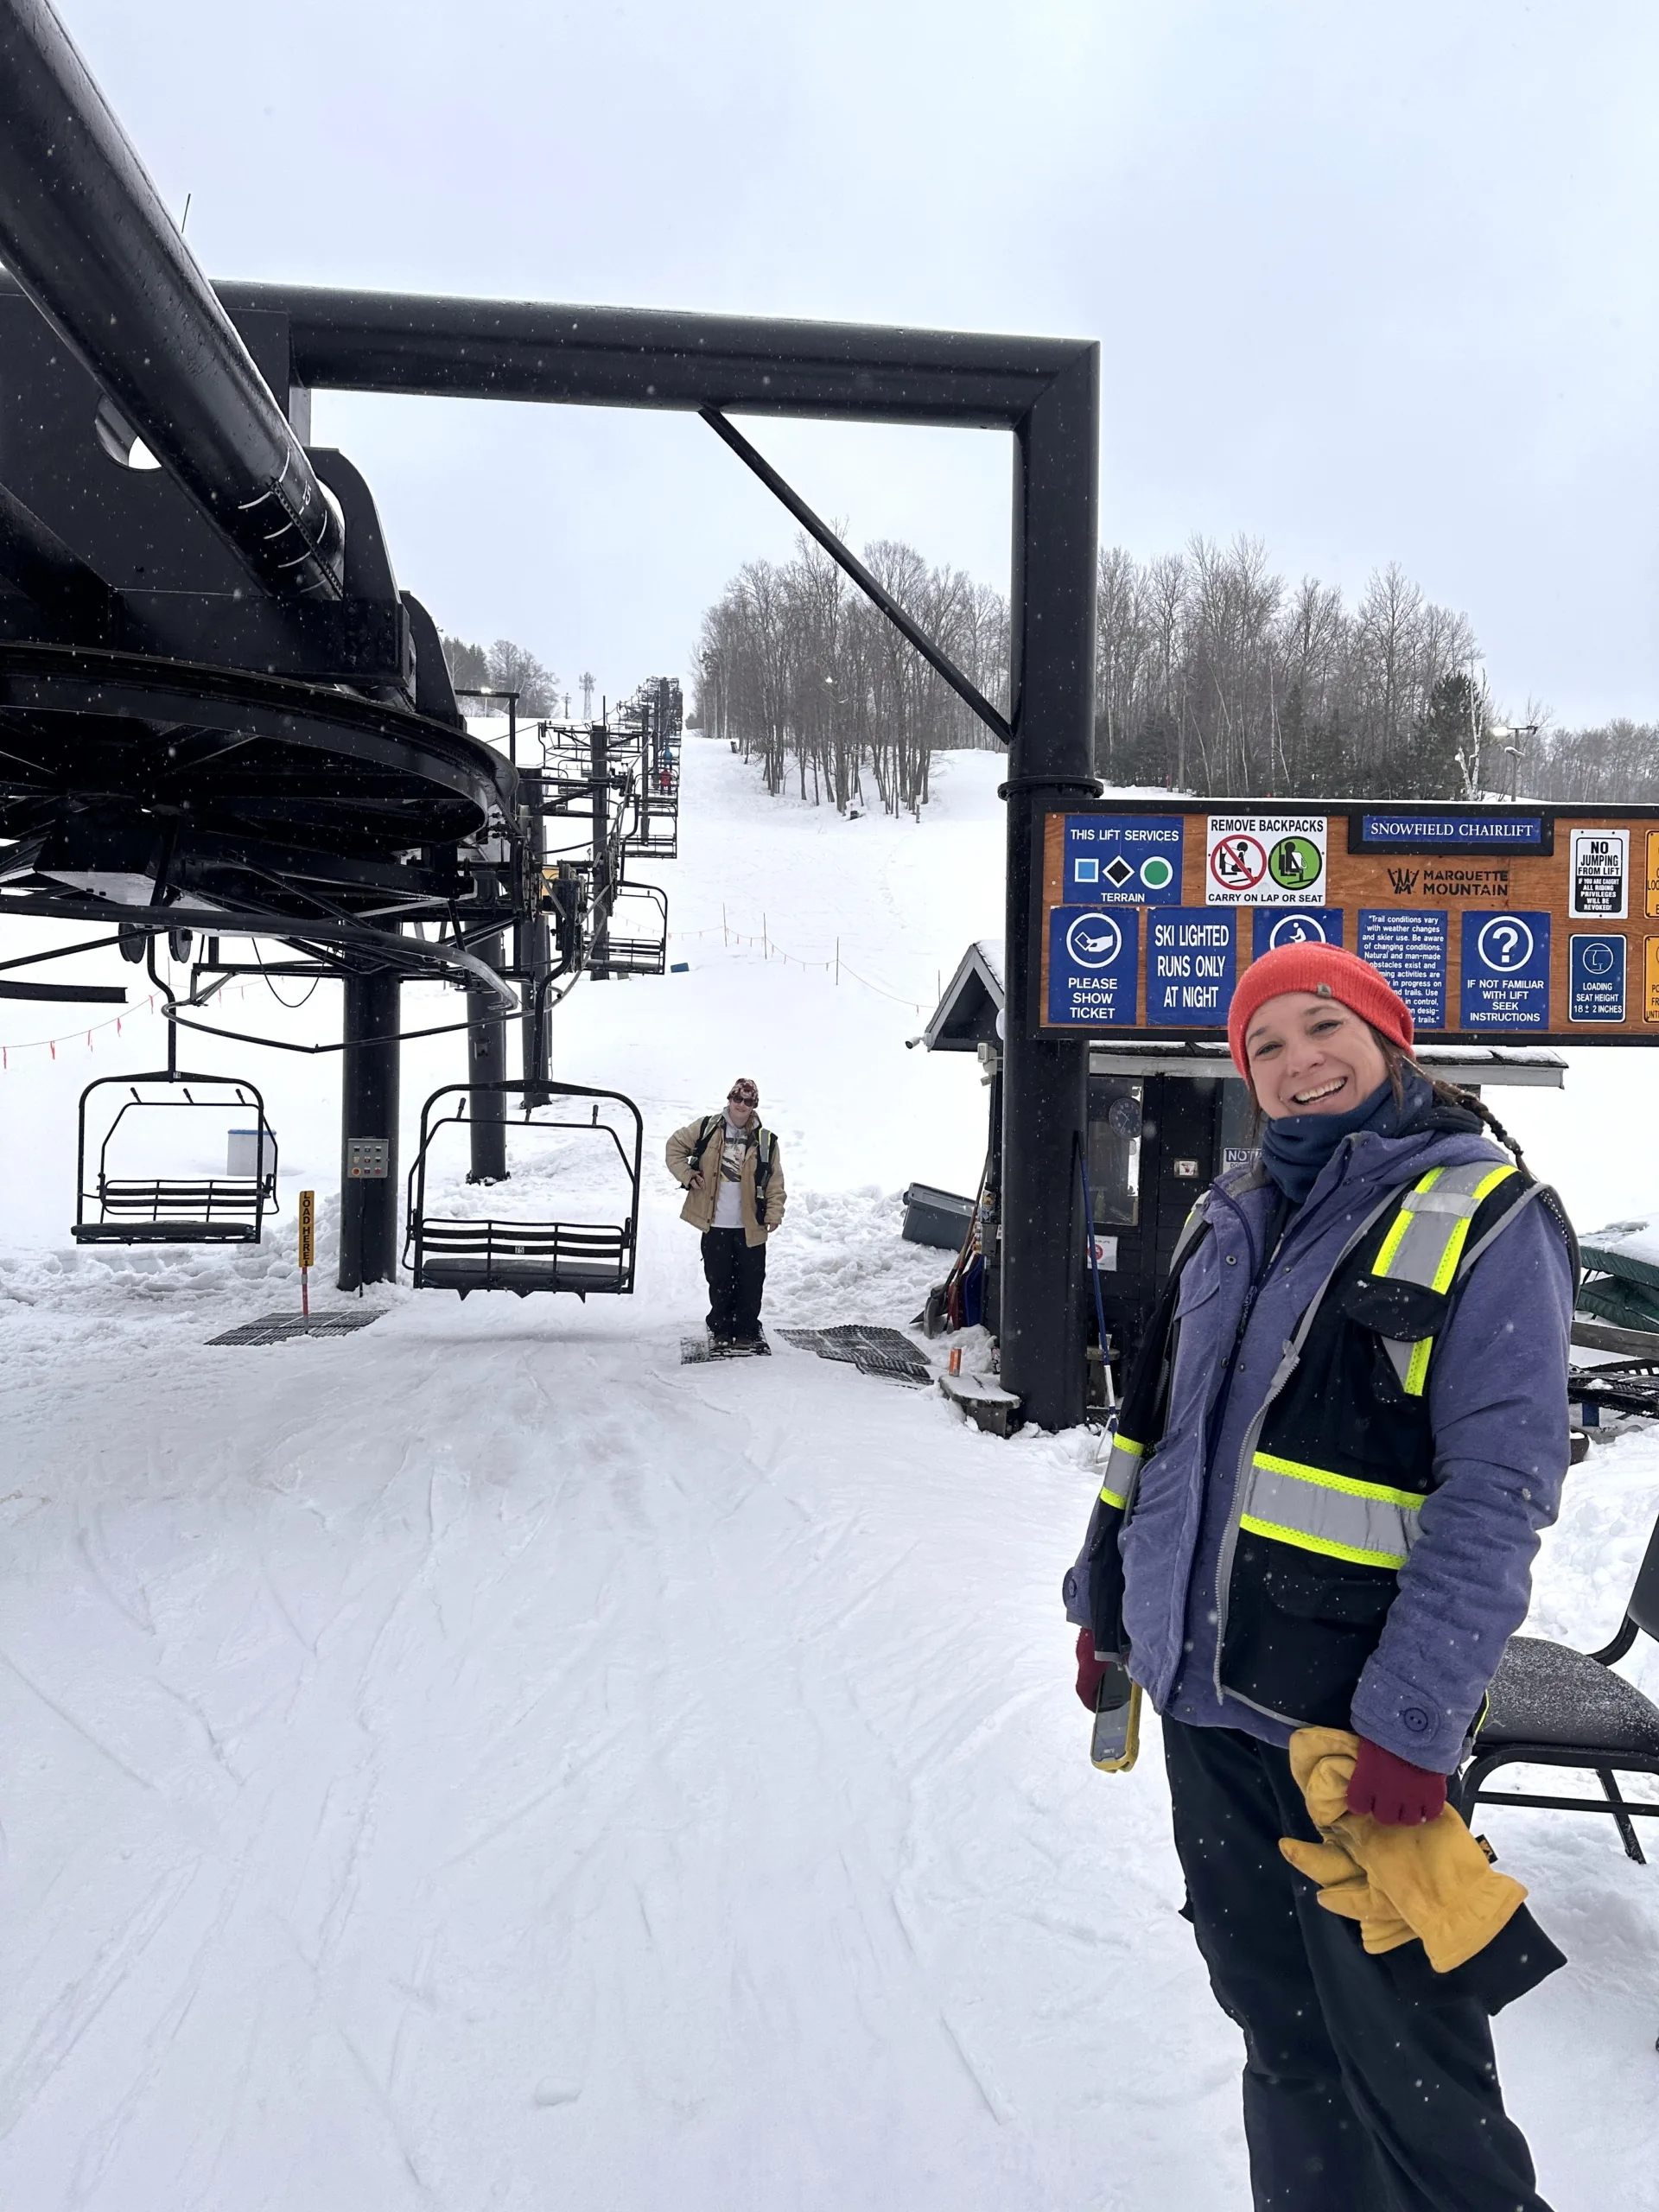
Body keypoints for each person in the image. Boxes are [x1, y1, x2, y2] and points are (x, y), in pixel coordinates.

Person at [1064, 942, 1576, 2212]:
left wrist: (1413, 1724)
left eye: (1322, 1027)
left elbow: (1495, 1497)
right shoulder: (1228, 1216)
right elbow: (1155, 1437)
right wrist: (1109, 1604)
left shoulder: (1492, 1217)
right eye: (1267, 1045)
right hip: (1207, 1717)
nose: (1298, 1063)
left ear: (1389, 1040)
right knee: (1281, 2040)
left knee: (1418, 2080)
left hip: (1350, 1743)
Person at [666, 1077, 786, 1349]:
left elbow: (775, 1180)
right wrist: (687, 1175)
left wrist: (774, 1212)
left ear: (754, 1105)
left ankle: (746, 1330)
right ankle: (720, 1328)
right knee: (719, 1279)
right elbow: (674, 1148)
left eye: (748, 1101)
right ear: (730, 1099)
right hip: (715, 1222)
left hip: (751, 1225)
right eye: (737, 1099)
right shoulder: (707, 1128)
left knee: (750, 1281)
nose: (741, 1105)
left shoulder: (766, 1140)